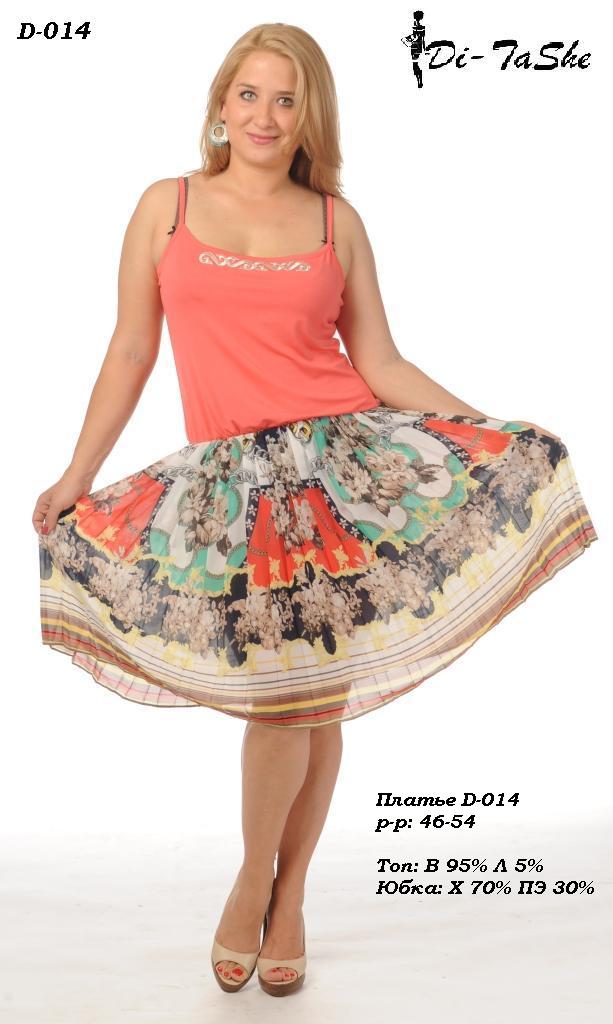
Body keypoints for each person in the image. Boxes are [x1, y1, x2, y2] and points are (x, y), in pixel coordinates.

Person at [32, 23, 598, 997]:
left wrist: (484, 426)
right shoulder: (166, 206)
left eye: (286, 99)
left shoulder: (337, 221)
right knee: (287, 698)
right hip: (234, 489)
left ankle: (275, 892)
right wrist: (76, 472)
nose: (264, 115)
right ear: (221, 105)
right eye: (248, 94)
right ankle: (267, 881)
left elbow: (377, 361)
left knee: (310, 698)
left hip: (342, 474)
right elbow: (130, 349)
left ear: (309, 118)